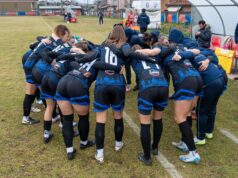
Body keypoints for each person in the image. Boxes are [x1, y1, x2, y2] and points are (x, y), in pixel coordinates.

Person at [93, 25, 129, 164]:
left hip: (102, 82)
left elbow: (95, 61)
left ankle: (100, 153)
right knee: (118, 115)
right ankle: (118, 144)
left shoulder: (103, 46)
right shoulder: (124, 47)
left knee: (100, 119)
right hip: (117, 83)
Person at [130, 45, 169, 165]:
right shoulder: (154, 54)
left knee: (145, 123)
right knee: (158, 118)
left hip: (148, 86)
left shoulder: (133, 56)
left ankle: (147, 157)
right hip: (163, 84)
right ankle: (155, 147)